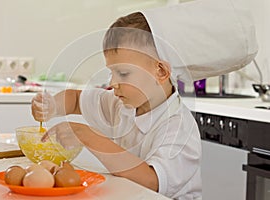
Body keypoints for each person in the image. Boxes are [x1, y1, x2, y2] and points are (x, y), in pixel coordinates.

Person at [31, 12, 202, 199]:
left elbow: (152, 182)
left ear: (160, 71)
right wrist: (52, 105)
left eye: (123, 73)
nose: (112, 82)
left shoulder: (178, 127)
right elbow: (74, 100)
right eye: (111, 72)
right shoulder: (122, 105)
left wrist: (87, 136)